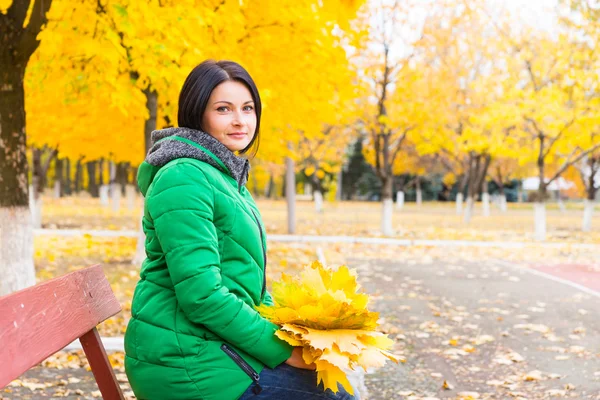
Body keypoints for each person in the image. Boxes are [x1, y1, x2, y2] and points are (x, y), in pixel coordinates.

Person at [124, 60, 357, 400]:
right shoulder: (184, 178)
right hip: (182, 362)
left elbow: (246, 284)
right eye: (223, 109)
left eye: (248, 108)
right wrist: (285, 353)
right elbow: (202, 297)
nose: (240, 120)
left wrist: (294, 333)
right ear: (197, 114)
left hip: (208, 347)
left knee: (332, 383)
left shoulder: (223, 176)